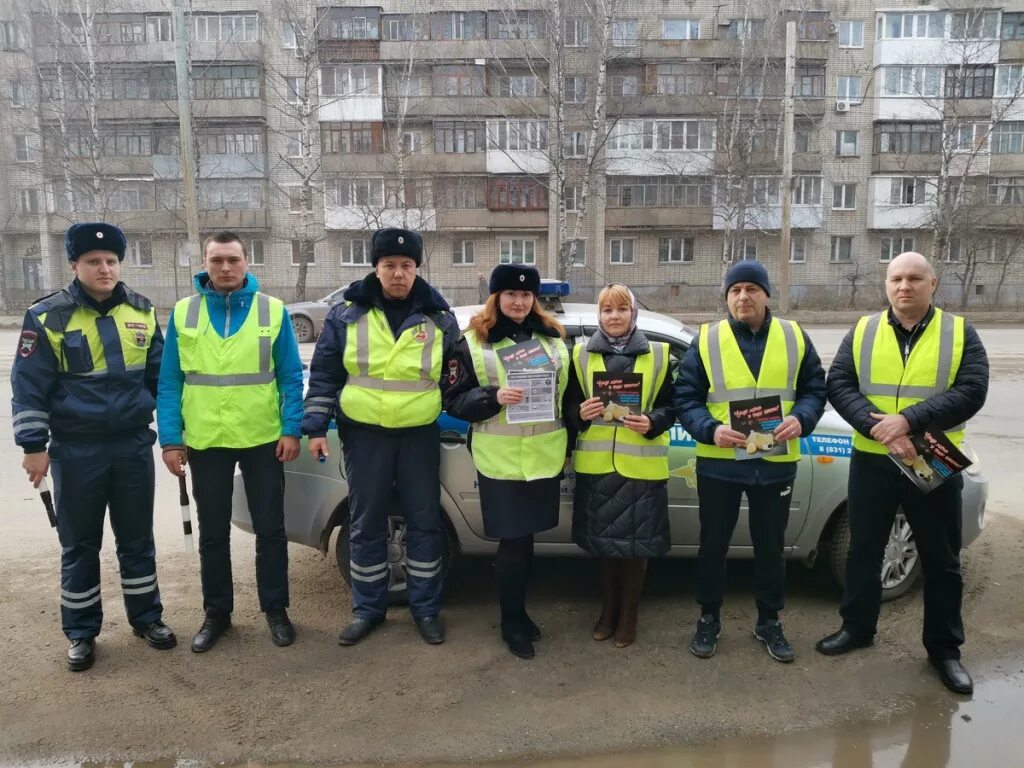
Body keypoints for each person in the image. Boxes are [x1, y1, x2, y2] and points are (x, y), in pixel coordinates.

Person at [816, 252, 989, 695]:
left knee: (941, 559)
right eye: (896, 279)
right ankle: (857, 629)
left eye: (914, 278)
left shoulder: (958, 332)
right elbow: (838, 383)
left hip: (931, 455)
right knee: (863, 552)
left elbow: (972, 390)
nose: (904, 286)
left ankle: (944, 650)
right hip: (873, 457)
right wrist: (880, 426)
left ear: (933, 284)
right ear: (886, 284)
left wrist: (909, 421)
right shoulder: (863, 330)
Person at [11, 222, 176, 671]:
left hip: (132, 446)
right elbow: (29, 388)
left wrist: (176, 437)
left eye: (111, 261)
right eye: (93, 262)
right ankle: (82, 633)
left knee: (138, 540)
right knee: (80, 543)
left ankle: (147, 619)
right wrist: (33, 445)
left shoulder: (142, 311)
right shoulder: (47, 317)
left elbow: (162, 382)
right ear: (74, 265)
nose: (104, 269)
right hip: (76, 450)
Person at [303, 228, 460, 646]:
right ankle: (367, 610)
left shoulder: (439, 317)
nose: (398, 273)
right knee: (365, 523)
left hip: (418, 436)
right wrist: (315, 427)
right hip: (364, 435)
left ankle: (426, 610)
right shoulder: (346, 314)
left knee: (425, 522)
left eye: (406, 266)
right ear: (375, 267)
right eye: (389, 265)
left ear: (416, 269)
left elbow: (458, 378)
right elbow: (324, 375)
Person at [157, 231, 303, 653]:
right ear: (205, 263)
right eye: (217, 260)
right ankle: (217, 614)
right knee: (213, 534)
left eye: (233, 260)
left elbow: (291, 376)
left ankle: (276, 610)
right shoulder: (184, 313)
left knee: (271, 530)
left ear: (246, 262)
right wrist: (171, 439)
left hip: (263, 438)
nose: (225, 268)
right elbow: (169, 382)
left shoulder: (272, 311)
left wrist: (291, 429)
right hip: (206, 440)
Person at [675, 260, 826, 663]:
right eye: (735, 290)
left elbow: (816, 388)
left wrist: (803, 418)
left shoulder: (794, 336)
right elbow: (685, 399)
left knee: (771, 548)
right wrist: (710, 430)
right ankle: (709, 618)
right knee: (712, 546)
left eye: (751, 289)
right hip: (719, 463)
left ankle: (769, 621)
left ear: (766, 295)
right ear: (726, 297)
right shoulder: (706, 339)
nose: (743, 296)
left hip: (775, 462)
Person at [445, 264, 574, 659]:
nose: (518, 301)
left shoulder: (553, 340)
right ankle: (510, 621)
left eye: (525, 295)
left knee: (527, 541)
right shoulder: (471, 342)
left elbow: (566, 398)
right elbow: (452, 401)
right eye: (510, 294)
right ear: (496, 297)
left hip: (543, 457)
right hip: (499, 460)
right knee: (512, 544)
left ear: (534, 298)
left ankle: (518, 613)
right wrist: (493, 397)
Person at [564, 283, 676, 648]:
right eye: (607, 310)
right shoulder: (580, 356)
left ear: (634, 314)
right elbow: (566, 408)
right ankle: (607, 611)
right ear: (599, 316)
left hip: (641, 469)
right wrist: (579, 413)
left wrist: (654, 421)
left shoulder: (659, 355)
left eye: (621, 309)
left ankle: (629, 616)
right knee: (606, 549)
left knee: (637, 551)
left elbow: (672, 406)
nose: (614, 316)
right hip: (599, 468)